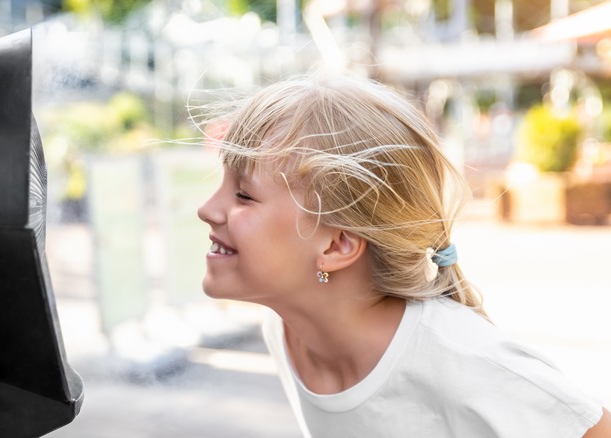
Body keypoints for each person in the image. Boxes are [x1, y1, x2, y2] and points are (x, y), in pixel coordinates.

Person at [196, 74, 611, 437]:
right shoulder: (287, 330)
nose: (207, 209)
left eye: (244, 195)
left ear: (337, 245)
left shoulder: (466, 362)